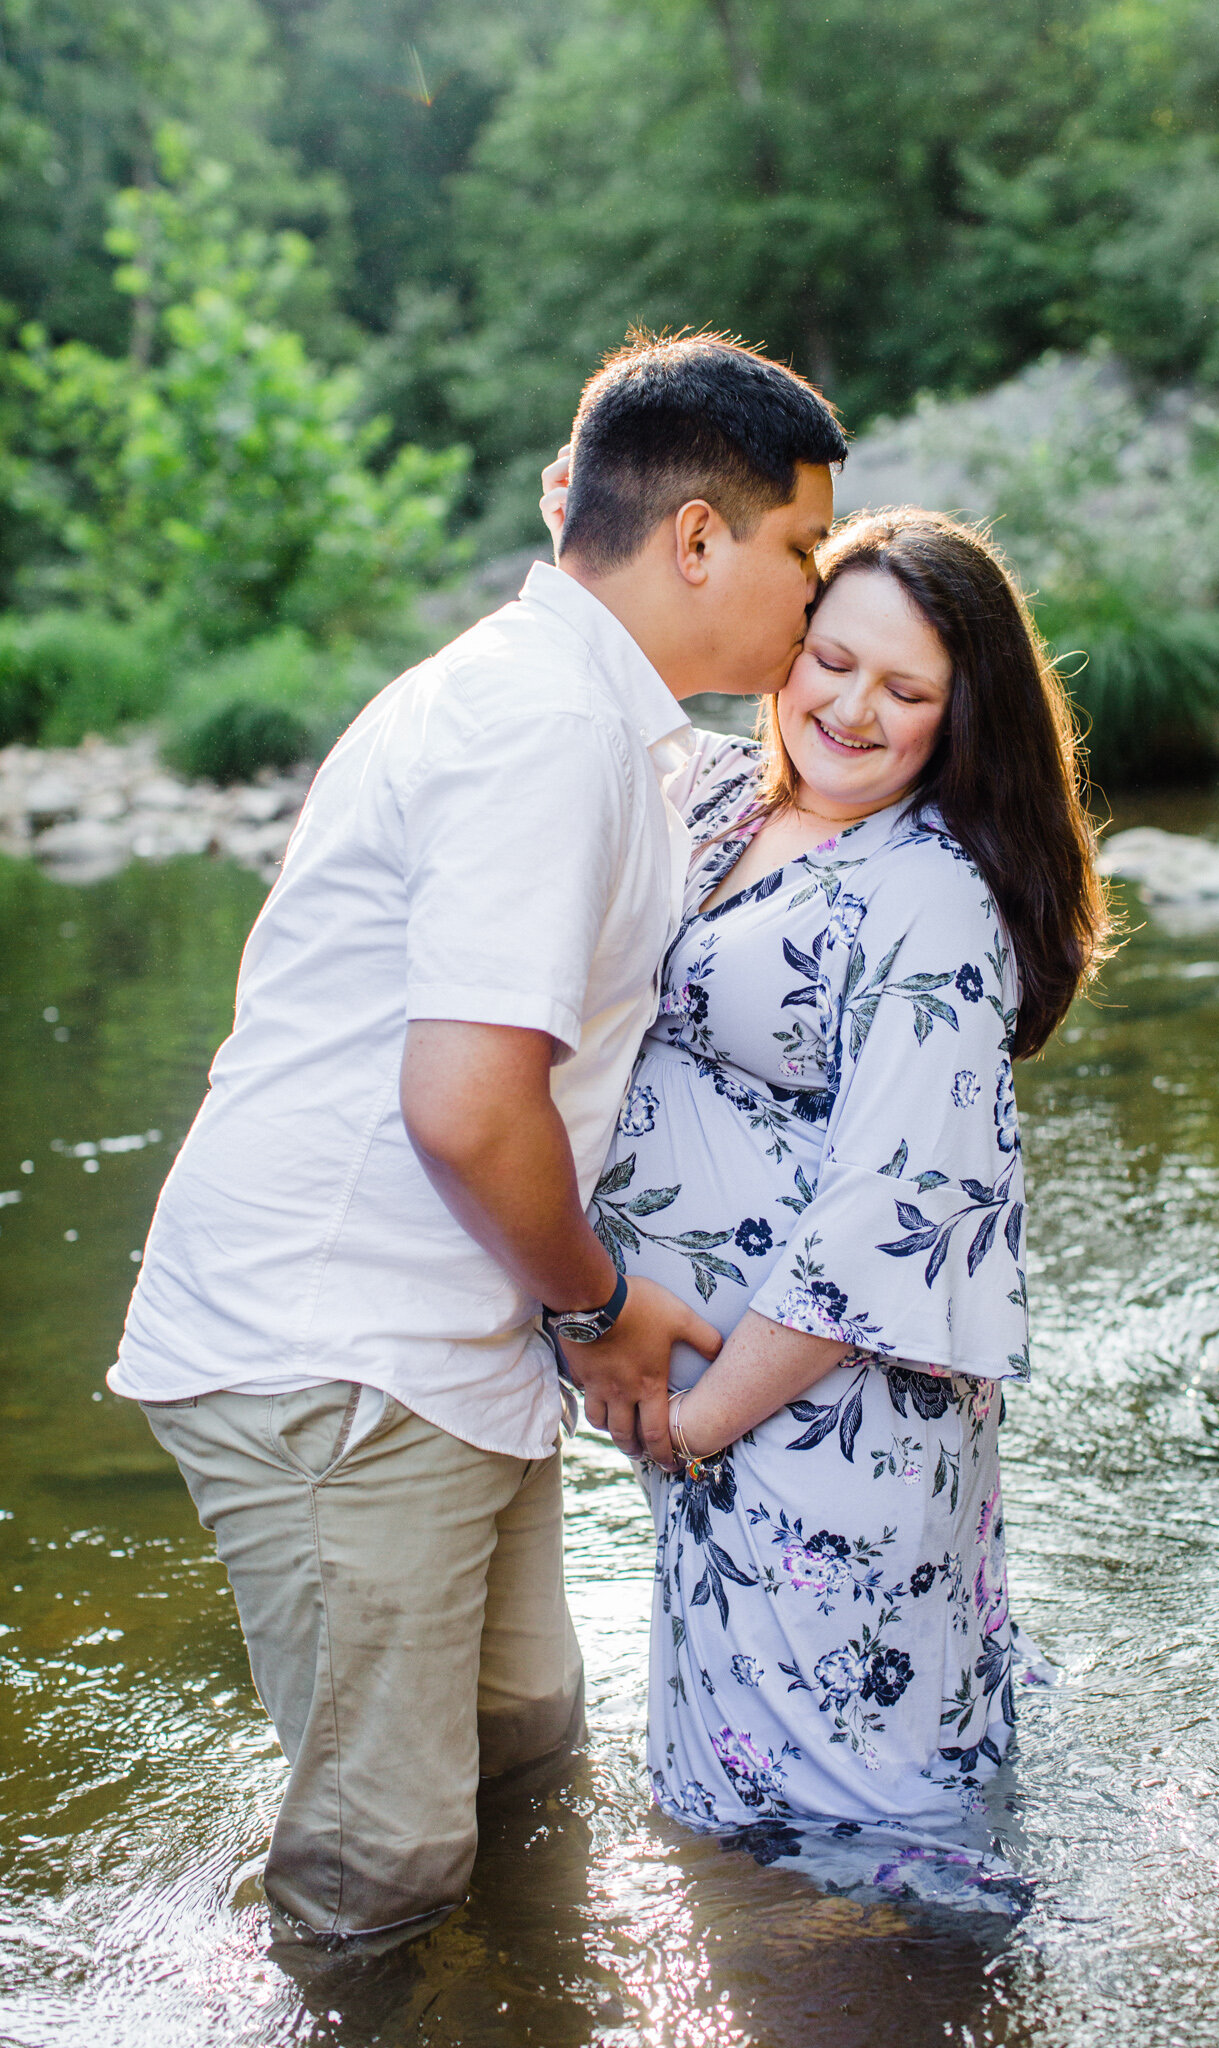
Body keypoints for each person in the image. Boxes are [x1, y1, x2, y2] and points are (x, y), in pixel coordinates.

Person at [106, 331, 846, 1948]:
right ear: (700, 536)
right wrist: (598, 1309)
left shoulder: (586, 710)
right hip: (333, 1347)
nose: (815, 591)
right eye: (802, 547)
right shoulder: (544, 729)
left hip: (447, 1337)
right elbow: (465, 1102)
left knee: (521, 1741)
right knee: (380, 1857)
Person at [540, 471, 1111, 1897]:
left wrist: (695, 1424)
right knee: (735, 1798)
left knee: (841, 1826)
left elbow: (897, 1212)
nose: (850, 710)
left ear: (960, 716)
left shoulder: (931, 894)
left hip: (814, 1418)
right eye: (831, 658)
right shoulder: (726, 799)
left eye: (903, 691)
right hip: (711, 1418)